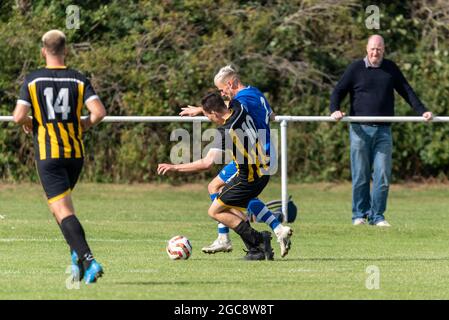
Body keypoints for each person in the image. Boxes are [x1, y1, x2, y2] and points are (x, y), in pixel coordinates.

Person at [13, 30, 107, 283]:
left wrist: (32, 121)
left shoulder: (33, 80)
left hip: (49, 154)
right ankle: (76, 260)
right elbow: (98, 112)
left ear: (44, 50)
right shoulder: (78, 79)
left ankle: (88, 260)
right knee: (61, 209)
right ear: (65, 50)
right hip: (75, 154)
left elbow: (18, 116)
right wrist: (82, 125)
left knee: (62, 211)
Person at [180, 66, 292, 257]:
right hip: (261, 153)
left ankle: (230, 238)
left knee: (223, 191)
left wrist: (202, 110)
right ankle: (274, 228)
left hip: (255, 156)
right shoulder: (255, 93)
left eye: (223, 90)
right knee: (225, 190)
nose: (222, 94)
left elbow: (224, 110)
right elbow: (271, 116)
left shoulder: (241, 100)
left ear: (231, 84)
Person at [159, 92, 279, 260]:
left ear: (214, 113)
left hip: (249, 178)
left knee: (215, 211)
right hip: (262, 172)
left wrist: (175, 167)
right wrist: (201, 109)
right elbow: (226, 102)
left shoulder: (227, 131)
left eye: (209, 116)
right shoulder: (239, 107)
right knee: (229, 207)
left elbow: (206, 163)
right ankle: (256, 250)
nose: (209, 120)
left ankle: (259, 240)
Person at [329, 34, 433, 227]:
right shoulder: (355, 68)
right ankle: (359, 215)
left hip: (383, 131)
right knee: (360, 174)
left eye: (379, 49)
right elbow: (338, 91)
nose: (375, 52)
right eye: (372, 48)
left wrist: (423, 111)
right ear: (366, 49)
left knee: (383, 175)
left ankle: (377, 216)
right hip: (360, 130)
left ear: (384, 50)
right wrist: (334, 110)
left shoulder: (390, 68)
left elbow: (407, 91)